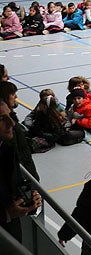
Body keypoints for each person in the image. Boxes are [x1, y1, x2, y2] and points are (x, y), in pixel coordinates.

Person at [0, 99, 42, 243]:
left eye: (10, 116)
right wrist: (6, 213)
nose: (11, 123)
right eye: (2, 119)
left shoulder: (8, 150)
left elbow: (15, 185)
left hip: (13, 234)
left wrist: (29, 199)